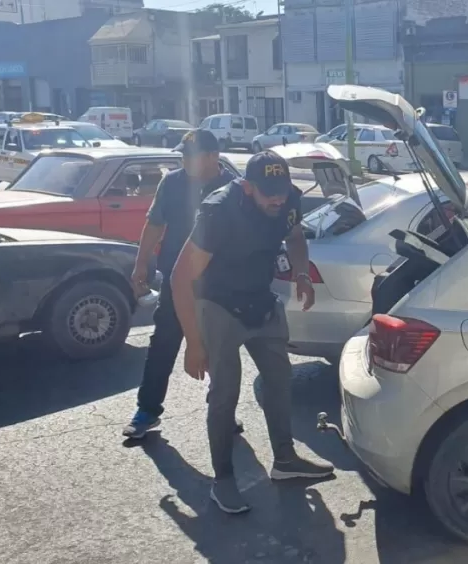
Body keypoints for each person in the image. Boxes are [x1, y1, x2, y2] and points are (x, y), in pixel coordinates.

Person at [170, 150, 334, 514]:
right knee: (225, 395)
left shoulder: (288, 199)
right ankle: (223, 480)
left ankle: (285, 460)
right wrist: (194, 343)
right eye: (267, 192)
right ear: (247, 187)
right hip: (219, 305)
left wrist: (302, 272)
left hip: (261, 299)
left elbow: (293, 236)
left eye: (281, 189)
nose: (276, 198)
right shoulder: (219, 211)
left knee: (280, 379)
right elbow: (180, 278)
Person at [122, 130, 237, 439]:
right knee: (164, 343)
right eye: (183, 155)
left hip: (219, 282)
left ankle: (223, 411)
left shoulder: (232, 187)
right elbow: (155, 224)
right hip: (176, 279)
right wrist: (140, 264)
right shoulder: (171, 183)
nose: (184, 161)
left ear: (213, 156)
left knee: (220, 348)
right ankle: (147, 410)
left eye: (192, 155)